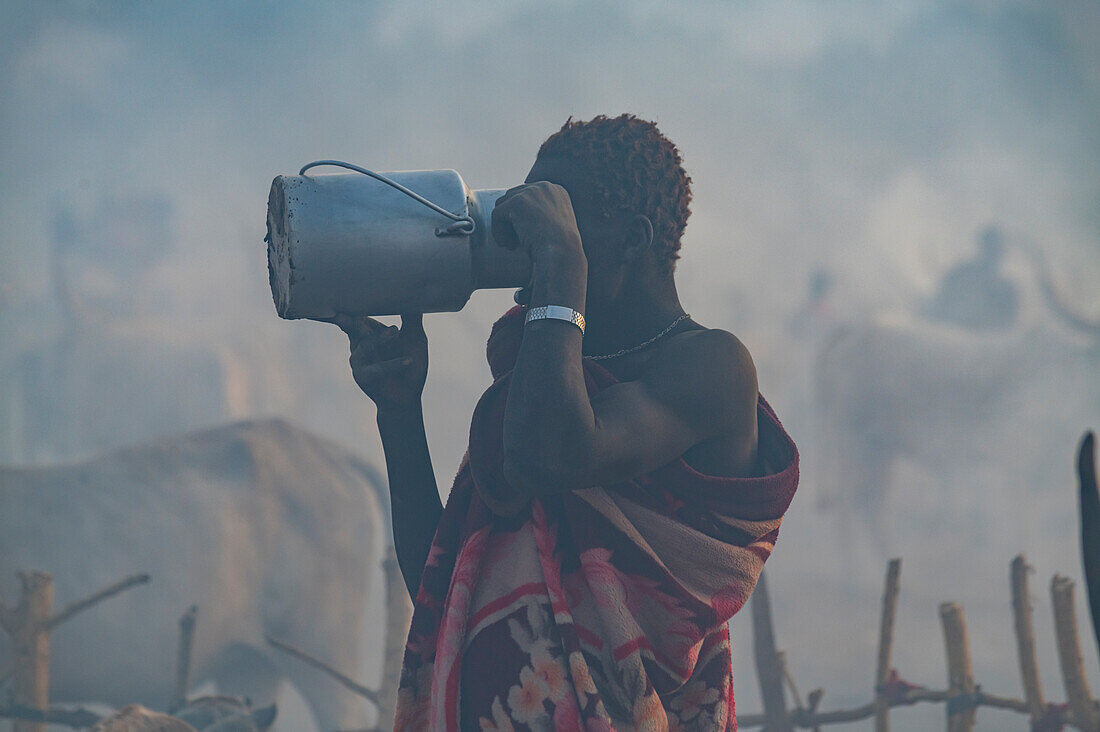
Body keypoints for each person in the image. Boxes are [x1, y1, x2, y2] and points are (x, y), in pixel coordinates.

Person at [337, 114, 799, 731]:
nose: (526, 247)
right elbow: (442, 586)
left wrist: (559, 265)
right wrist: (399, 413)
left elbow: (551, 457)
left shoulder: (709, 367)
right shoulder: (542, 374)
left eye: (557, 223)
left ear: (633, 240)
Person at [922, 225, 1020, 331]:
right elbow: (938, 309)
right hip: (950, 338)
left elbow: (1009, 326)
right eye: (991, 248)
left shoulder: (1007, 289)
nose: (995, 253)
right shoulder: (960, 275)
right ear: (982, 247)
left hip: (988, 343)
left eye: (998, 248)